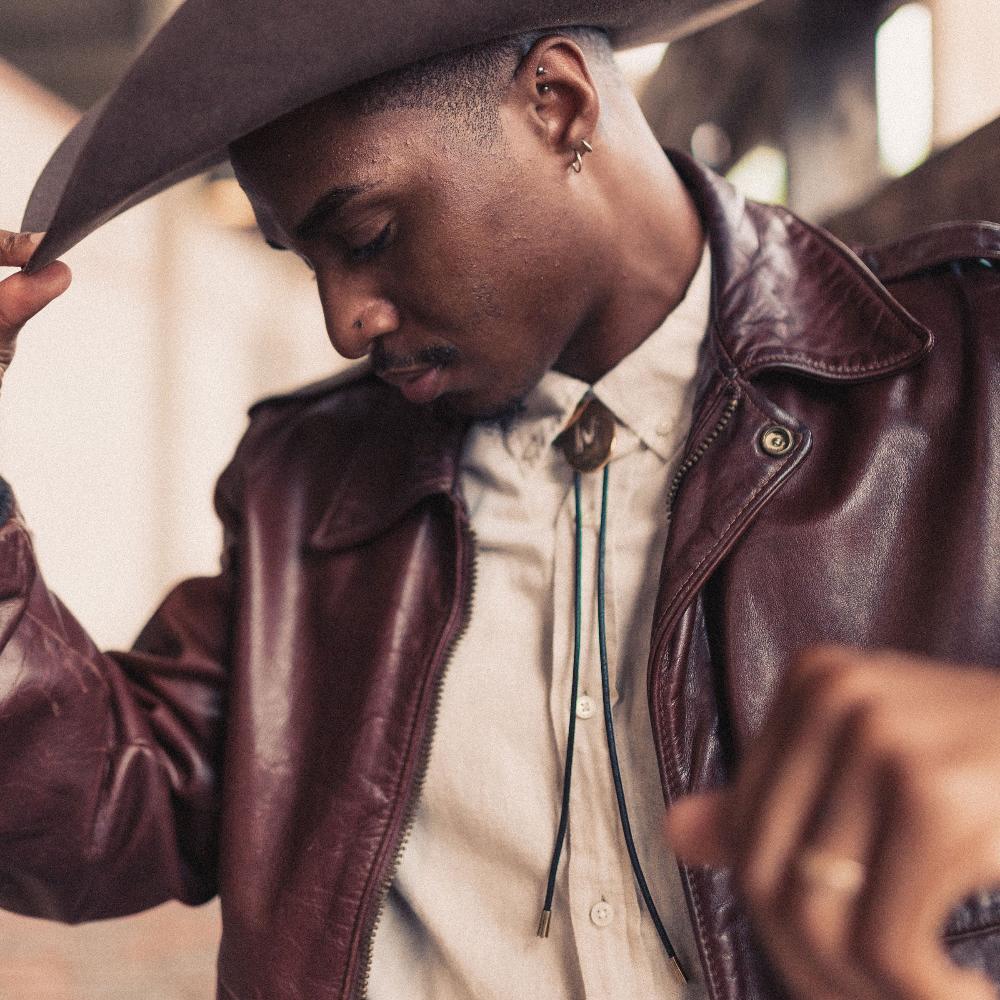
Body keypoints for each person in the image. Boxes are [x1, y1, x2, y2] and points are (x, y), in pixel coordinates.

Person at [1, 3, 999, 998]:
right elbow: (98, 809)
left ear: (556, 106)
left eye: (368, 234)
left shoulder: (966, 376)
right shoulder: (301, 486)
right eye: (310, 263)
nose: (346, 320)